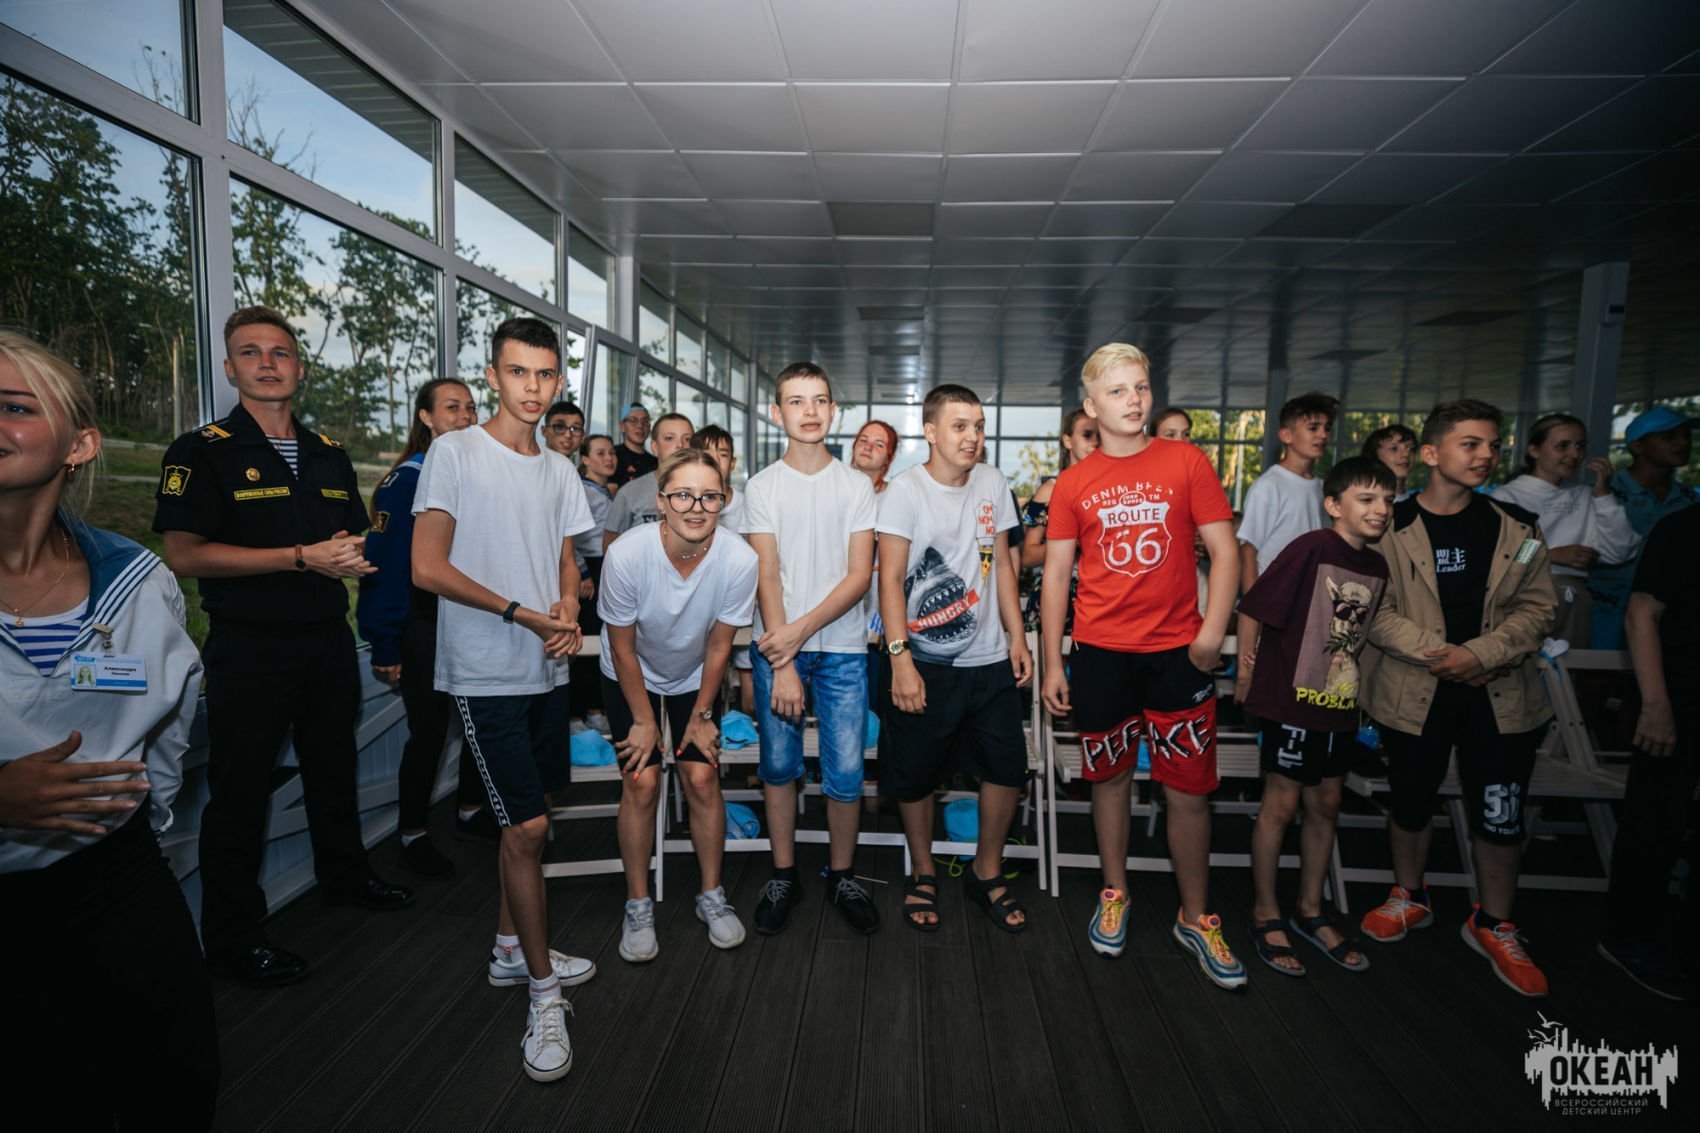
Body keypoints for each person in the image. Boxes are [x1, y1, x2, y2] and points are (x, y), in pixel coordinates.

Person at [154, 305, 413, 989]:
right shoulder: (202, 450)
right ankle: (234, 937)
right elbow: (184, 553)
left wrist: (355, 555)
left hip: (327, 638)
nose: (267, 363)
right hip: (250, 646)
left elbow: (351, 536)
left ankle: (347, 877)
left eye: (280, 352)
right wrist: (300, 556)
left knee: (333, 769)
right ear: (229, 367)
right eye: (251, 352)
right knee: (241, 792)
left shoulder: (327, 452)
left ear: (300, 368)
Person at [0, 333, 219, 1127]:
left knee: (174, 1077)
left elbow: (168, 723)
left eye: (14, 407)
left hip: (118, 875)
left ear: (79, 444)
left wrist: (136, 821)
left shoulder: (137, 583)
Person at [411, 316, 597, 1083]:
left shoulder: (559, 467)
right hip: (487, 668)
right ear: (493, 376)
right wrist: (521, 613)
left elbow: (564, 557)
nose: (533, 386)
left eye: (545, 374)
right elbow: (427, 566)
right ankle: (543, 994)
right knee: (528, 827)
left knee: (524, 826)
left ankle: (508, 949)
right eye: (518, 372)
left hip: (545, 669)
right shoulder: (456, 452)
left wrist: (566, 604)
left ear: (558, 381)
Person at [1040, 343, 1244, 990]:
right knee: (1110, 779)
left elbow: (1225, 551)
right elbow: (1056, 576)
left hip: (1177, 656)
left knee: (1189, 790)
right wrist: (1052, 662)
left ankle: (1196, 916)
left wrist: (1211, 635)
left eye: (1141, 387)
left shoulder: (1186, 461)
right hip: (1100, 655)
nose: (1134, 400)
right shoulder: (1074, 482)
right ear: (1091, 406)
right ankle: (1115, 891)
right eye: (1118, 391)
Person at [1358, 399, 1558, 998]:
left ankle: (1494, 922)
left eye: (1493, 445)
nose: (1485, 455)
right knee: (1411, 799)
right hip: (1415, 689)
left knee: (1500, 810)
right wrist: (1445, 655)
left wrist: (1482, 654)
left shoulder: (1519, 527)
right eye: (1470, 443)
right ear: (1430, 453)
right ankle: (1409, 895)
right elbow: (1373, 609)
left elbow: (1539, 608)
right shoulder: (1387, 524)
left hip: (1500, 693)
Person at [876, 385, 1033, 933]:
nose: (973, 437)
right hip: (925, 664)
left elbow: (1004, 565)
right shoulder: (905, 492)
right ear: (931, 432)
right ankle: (923, 871)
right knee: (916, 774)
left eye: (979, 426)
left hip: (989, 661)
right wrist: (901, 661)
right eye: (960, 426)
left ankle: (986, 870)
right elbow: (890, 580)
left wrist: (1017, 636)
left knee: (1007, 768)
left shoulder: (993, 482)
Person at [601, 449, 760, 962]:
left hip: (695, 672)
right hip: (630, 671)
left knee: (701, 777)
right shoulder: (627, 554)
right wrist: (644, 719)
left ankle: (711, 895)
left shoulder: (740, 559)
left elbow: (719, 646)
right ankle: (638, 902)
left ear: (724, 501)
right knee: (641, 782)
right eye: (683, 495)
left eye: (709, 496)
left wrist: (703, 716)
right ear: (661, 501)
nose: (696, 507)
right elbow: (622, 647)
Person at [1238, 456, 1393, 976]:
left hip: (1339, 706)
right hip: (1290, 703)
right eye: (1366, 499)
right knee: (1280, 806)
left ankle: (1309, 909)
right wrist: (1246, 678)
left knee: (1326, 804)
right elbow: (1254, 607)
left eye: (1387, 500)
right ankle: (1265, 911)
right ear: (1333, 505)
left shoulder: (1377, 566)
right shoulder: (1310, 548)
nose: (1380, 509)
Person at [743, 362, 880, 935]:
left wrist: (797, 635)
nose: (809, 411)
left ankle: (842, 874)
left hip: (842, 648)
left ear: (833, 411)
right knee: (779, 767)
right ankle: (783, 875)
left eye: (820, 400)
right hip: (777, 648)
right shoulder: (761, 487)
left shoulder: (856, 486)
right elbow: (767, 575)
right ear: (777, 413)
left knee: (845, 771)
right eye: (796, 401)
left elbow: (859, 576)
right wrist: (785, 660)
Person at [356, 378, 490, 877]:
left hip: (468, 622)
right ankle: (411, 835)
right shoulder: (408, 480)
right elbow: (385, 567)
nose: (465, 417)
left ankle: (470, 811)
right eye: (452, 408)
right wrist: (385, 642)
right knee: (429, 733)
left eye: (471, 408)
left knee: (478, 723)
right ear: (426, 417)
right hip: (422, 624)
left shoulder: (470, 476)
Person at [1597, 504, 1699, 1001]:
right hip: (1680, 699)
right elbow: (1641, 613)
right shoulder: (1685, 527)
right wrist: (1656, 705)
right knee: (1656, 821)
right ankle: (1630, 939)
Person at [1491, 413, 1636, 647]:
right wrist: (1550, 555)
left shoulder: (1585, 495)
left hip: (1575, 598)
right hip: (1522, 597)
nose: (1574, 454)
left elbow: (1618, 552)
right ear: (1534, 450)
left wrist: (1603, 495)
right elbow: (1497, 556)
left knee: (1568, 668)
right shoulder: (1508, 496)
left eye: (1580, 445)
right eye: (1562, 446)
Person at [1588, 406, 1697, 648]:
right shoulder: (1602, 492)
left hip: (1668, 614)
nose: (1682, 443)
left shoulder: (1690, 500)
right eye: (1669, 436)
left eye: (1686, 436)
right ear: (1637, 446)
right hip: (1605, 610)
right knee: (1596, 670)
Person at [1237, 392, 1336, 595]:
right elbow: (1248, 552)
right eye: (1313, 428)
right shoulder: (1268, 486)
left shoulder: (1323, 488)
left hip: (1309, 597)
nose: (1323, 435)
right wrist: (1253, 607)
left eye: (1327, 428)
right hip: (1273, 598)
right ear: (1286, 435)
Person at [691, 424, 754, 713]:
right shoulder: (684, 506)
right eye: (707, 453)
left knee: (749, 693)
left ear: (733, 462)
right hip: (697, 612)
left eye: (723, 454)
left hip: (742, 611)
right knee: (700, 690)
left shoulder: (749, 505)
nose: (715, 460)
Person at [572, 433, 618, 733]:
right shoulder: (582, 491)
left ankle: (595, 708)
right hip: (589, 568)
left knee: (604, 639)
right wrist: (582, 573)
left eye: (611, 452)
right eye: (600, 453)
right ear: (585, 459)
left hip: (605, 564)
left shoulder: (604, 490)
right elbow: (568, 536)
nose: (609, 458)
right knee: (586, 641)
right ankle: (578, 713)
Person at [1019, 407, 1099, 570]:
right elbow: (1028, 556)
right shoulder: (1051, 489)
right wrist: (1073, 541)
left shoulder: (1108, 489)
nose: (1095, 442)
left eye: (1100, 436)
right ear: (1068, 441)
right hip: (1061, 582)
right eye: (1087, 435)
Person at [603, 412, 694, 549]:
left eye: (687, 439)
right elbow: (610, 545)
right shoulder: (630, 492)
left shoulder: (706, 491)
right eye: (669, 438)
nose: (680, 445)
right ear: (655, 447)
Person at [1362, 423, 1418, 500]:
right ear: (1374, 455)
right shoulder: (1360, 501)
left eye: (1410, 449)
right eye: (1394, 449)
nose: (1406, 454)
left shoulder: (1422, 502)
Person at [611, 402, 657, 488]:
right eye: (633, 421)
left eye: (645, 421)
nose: (640, 426)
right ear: (622, 426)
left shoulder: (655, 463)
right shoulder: (612, 456)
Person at [849, 418, 898, 494]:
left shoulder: (896, 496)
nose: (868, 447)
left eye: (879, 445)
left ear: (889, 458)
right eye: (863, 440)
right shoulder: (834, 487)